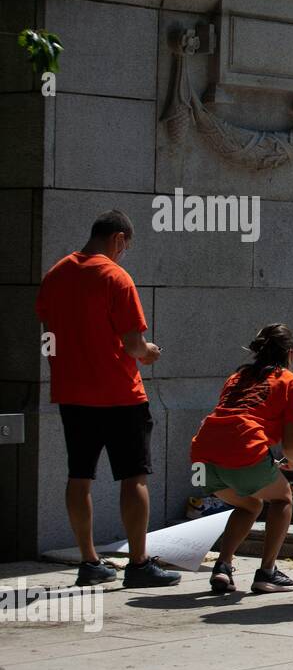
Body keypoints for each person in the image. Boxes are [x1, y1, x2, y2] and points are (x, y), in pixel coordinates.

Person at [34, 209, 179, 588]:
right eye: (124, 247)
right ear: (118, 239)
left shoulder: (55, 275)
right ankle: (138, 563)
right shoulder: (116, 277)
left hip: (73, 393)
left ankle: (89, 562)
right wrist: (150, 351)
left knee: (79, 476)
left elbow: (49, 336)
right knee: (134, 477)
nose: (122, 254)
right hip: (120, 395)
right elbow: (133, 346)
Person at [190, 325, 293, 594]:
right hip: (245, 450)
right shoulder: (292, 383)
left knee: (249, 505)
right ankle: (267, 572)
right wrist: (292, 462)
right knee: (282, 499)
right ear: (291, 353)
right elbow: (290, 443)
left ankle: (223, 566)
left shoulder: (238, 376)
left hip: (202, 458)